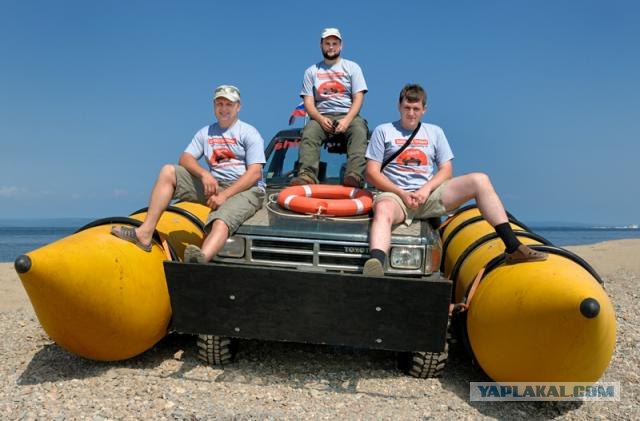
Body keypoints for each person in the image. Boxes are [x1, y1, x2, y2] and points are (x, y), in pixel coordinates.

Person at [363, 84, 547, 276]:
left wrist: (425, 190)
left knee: (480, 180)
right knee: (382, 209)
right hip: (396, 197)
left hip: (428, 196)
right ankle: (376, 264)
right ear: (399, 107)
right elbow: (372, 173)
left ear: (424, 110)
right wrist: (401, 193)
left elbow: (446, 169)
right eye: (407, 108)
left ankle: (513, 247)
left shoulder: (435, 132)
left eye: (416, 109)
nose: (411, 113)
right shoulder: (383, 131)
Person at [111, 85, 266, 263]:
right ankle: (144, 233)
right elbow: (185, 158)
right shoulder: (206, 133)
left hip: (247, 190)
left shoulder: (248, 132)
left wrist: (224, 195)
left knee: (221, 219)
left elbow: (255, 173)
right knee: (168, 171)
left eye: (229, 104)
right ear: (214, 106)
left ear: (238, 107)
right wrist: (204, 174)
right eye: (219, 104)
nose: (223, 109)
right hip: (216, 184)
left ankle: (198, 260)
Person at [290, 27, 369, 188]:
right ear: (321, 45)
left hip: (348, 115)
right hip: (321, 116)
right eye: (327, 43)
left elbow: (359, 97)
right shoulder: (311, 71)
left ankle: (354, 176)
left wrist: (347, 120)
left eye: (334, 43)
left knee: (360, 131)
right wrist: (319, 118)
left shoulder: (353, 67)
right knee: (309, 132)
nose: (331, 47)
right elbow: (308, 102)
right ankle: (307, 175)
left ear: (341, 46)